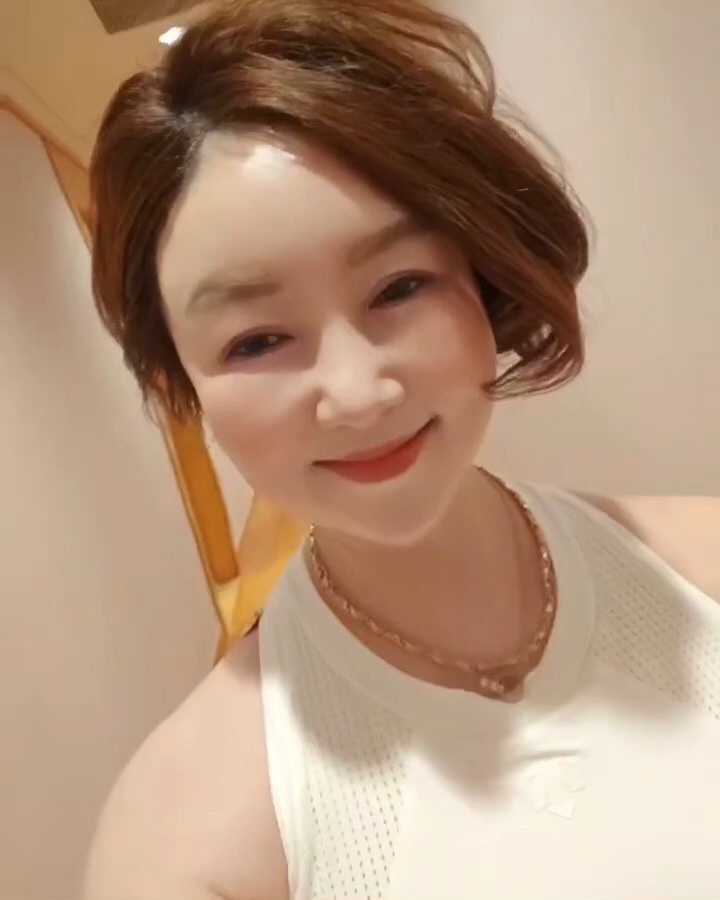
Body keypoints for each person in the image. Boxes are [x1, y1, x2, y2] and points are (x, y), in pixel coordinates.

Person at [82, 1, 720, 898]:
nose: (357, 393)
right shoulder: (186, 841)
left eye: (399, 287)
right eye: (258, 341)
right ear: (184, 387)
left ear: (483, 278)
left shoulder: (704, 573)